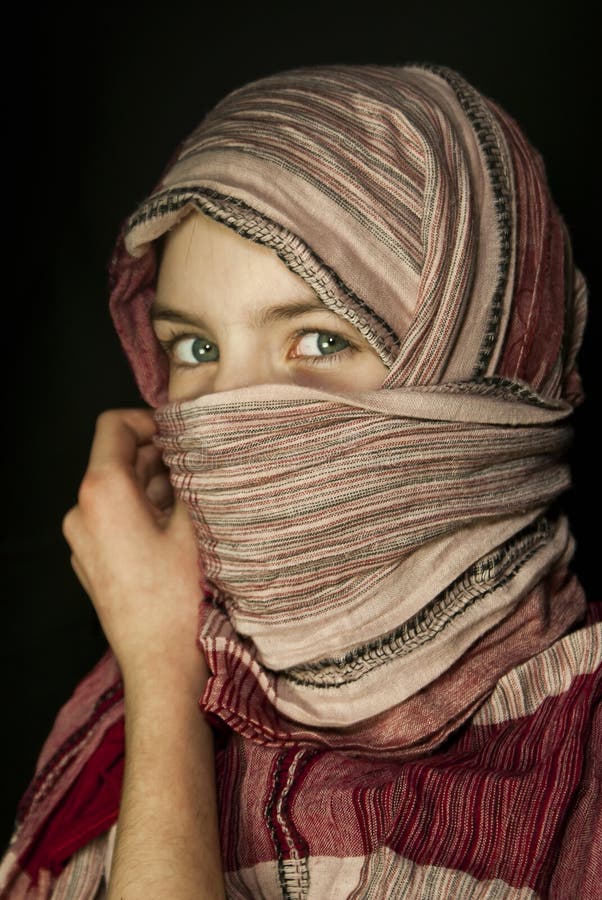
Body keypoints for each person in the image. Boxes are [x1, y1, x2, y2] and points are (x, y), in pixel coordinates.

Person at [0, 62, 599, 899]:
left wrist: (160, 685)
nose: (230, 414)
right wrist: (159, 668)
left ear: (485, 363)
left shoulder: (584, 773)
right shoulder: (134, 678)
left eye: (318, 340)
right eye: (197, 350)